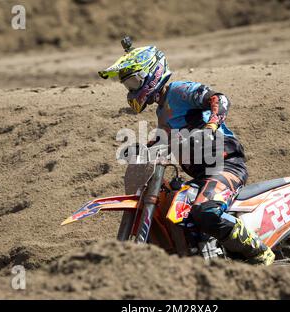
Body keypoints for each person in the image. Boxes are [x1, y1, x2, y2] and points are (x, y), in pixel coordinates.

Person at [99, 38, 274, 265]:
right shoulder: (162, 111)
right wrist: (142, 149)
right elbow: (166, 138)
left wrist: (211, 125)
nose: (131, 90)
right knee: (175, 210)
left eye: (133, 82)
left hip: (226, 165)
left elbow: (218, 98)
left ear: (151, 73)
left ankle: (260, 253)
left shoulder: (178, 91)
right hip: (202, 176)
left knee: (206, 211)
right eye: (128, 85)